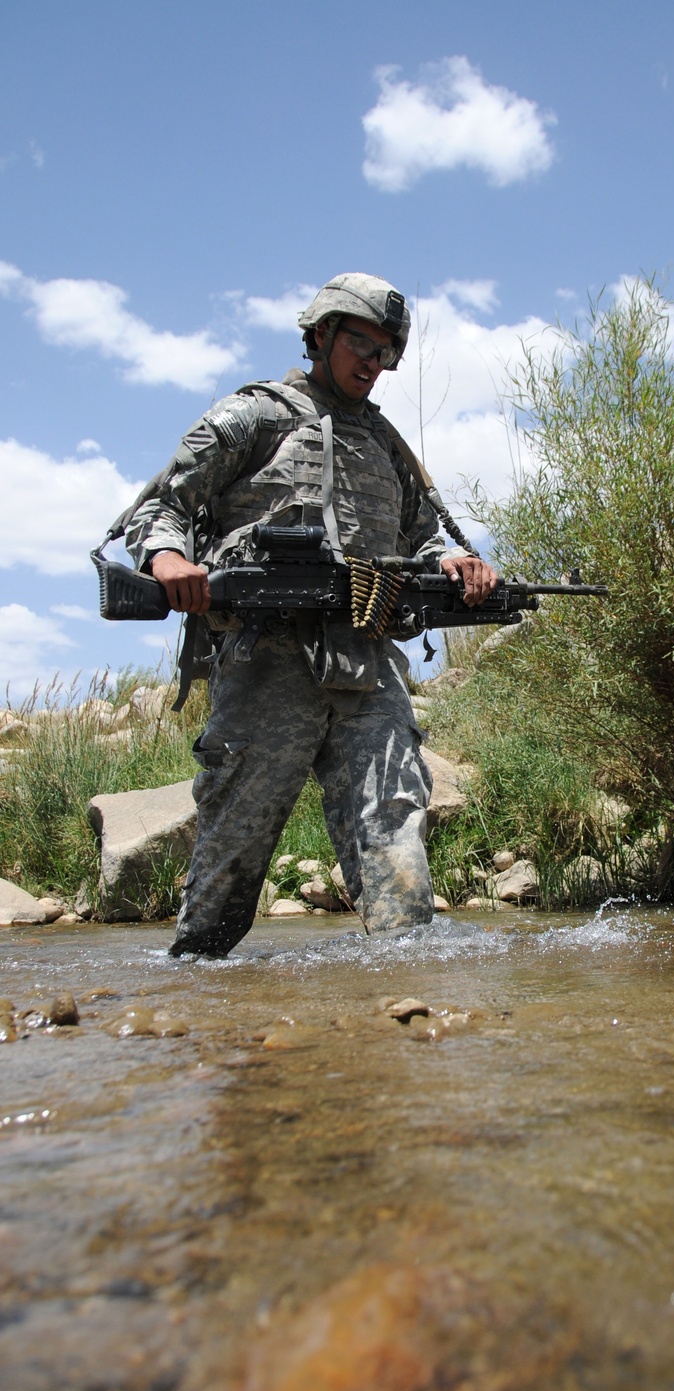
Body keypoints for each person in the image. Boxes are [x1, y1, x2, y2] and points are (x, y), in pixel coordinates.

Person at [125, 273, 496, 957]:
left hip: (367, 668)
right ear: (321, 334)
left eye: (387, 354)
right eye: (361, 344)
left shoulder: (389, 445)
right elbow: (159, 507)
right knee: (229, 866)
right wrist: (168, 561)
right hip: (268, 670)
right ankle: (186, 1010)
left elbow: (424, 538)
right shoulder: (256, 416)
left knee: (396, 846)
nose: (373, 364)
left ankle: (405, 1012)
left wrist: (452, 562)